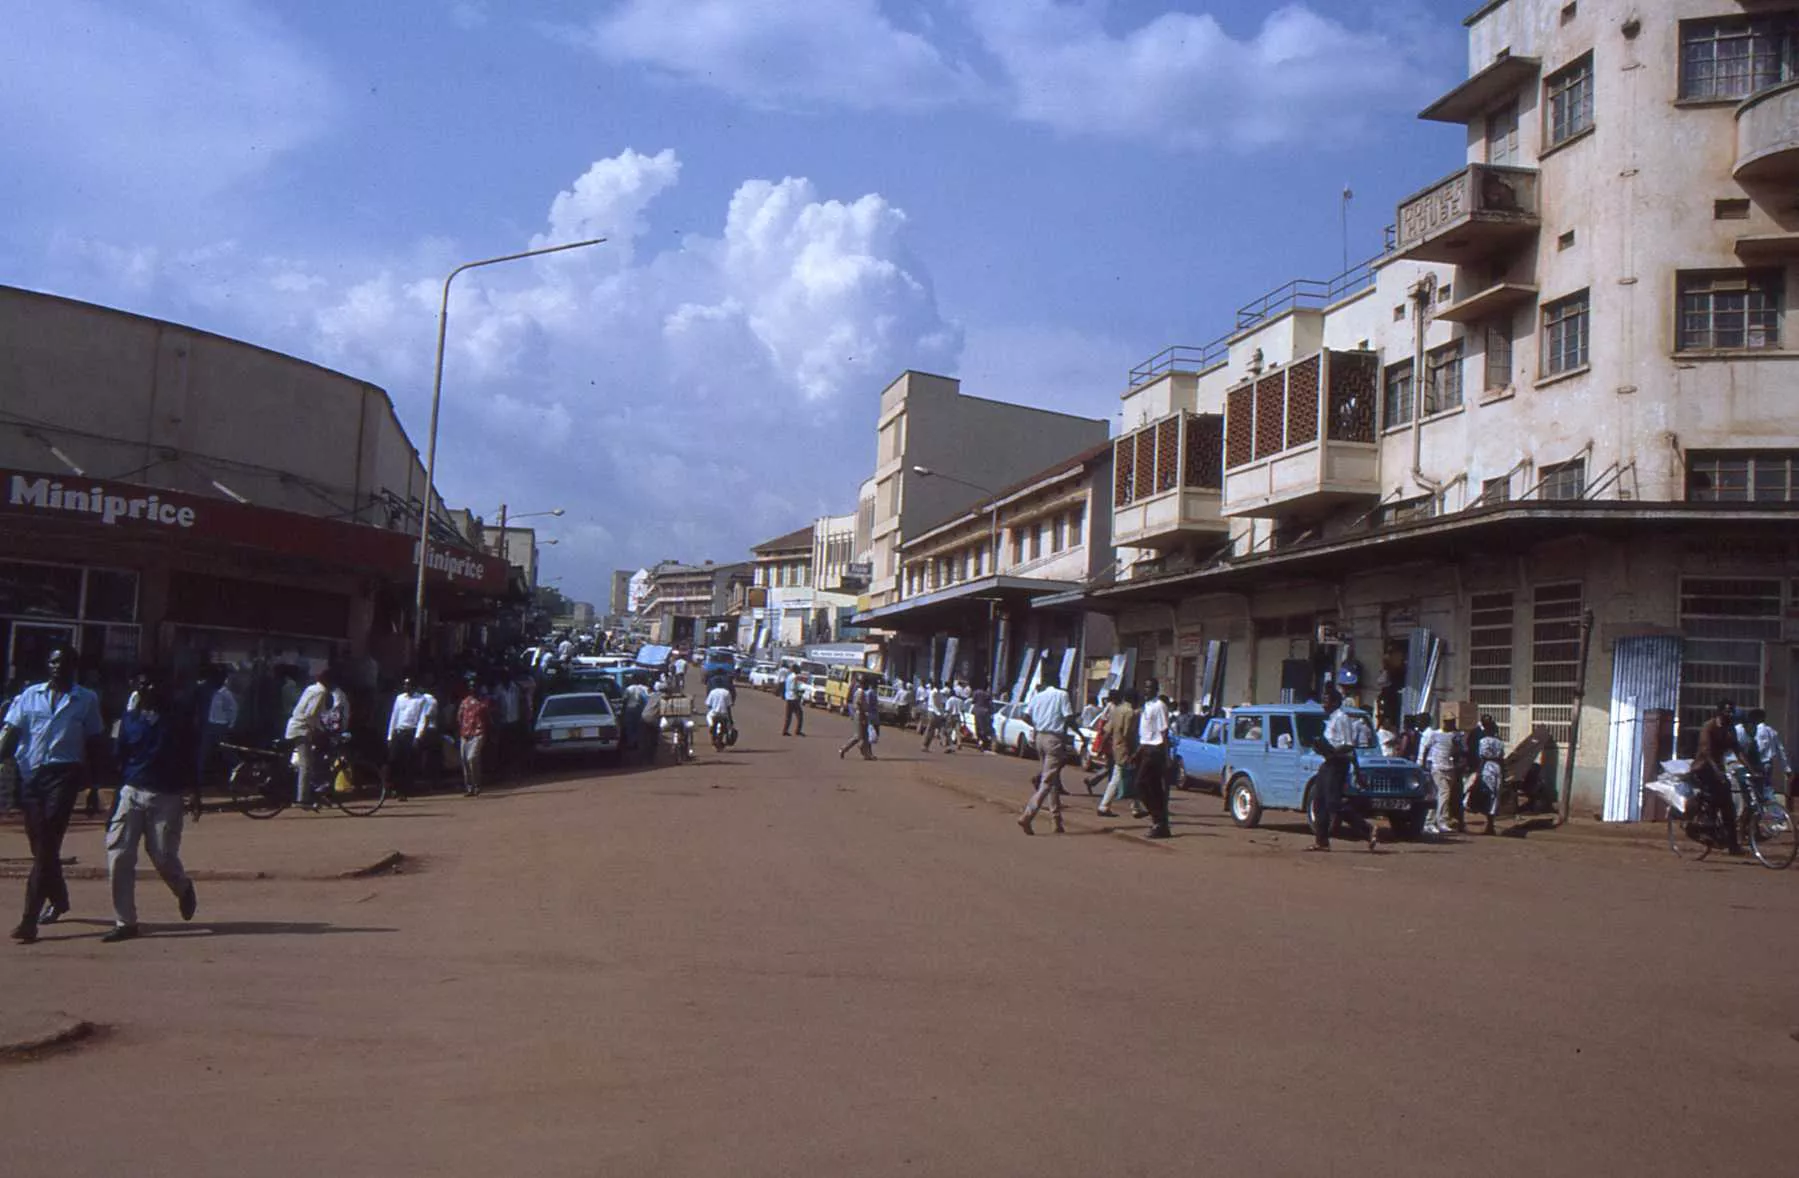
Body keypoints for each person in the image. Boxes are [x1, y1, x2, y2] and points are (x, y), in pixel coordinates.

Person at [2, 648, 107, 944]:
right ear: (47, 665)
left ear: (75, 667)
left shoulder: (85, 699)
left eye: (65, 662)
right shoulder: (29, 695)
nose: (58, 666)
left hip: (64, 775)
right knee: (39, 845)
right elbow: (11, 732)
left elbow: (96, 743)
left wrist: (95, 787)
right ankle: (59, 898)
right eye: (54, 661)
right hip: (30, 775)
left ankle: (29, 920)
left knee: (48, 842)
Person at [103, 676, 198, 942]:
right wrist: (112, 796)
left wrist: (194, 792)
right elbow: (118, 758)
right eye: (144, 685)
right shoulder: (128, 720)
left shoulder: (178, 721)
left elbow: (190, 757)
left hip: (167, 795)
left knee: (163, 854)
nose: (149, 689)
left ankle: (183, 887)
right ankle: (125, 922)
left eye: (155, 684)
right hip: (131, 791)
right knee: (119, 854)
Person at [1308, 687, 1378, 853]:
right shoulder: (1331, 719)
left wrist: (1333, 752)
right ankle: (1321, 841)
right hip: (1328, 762)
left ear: (1335, 702)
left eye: (1326, 701)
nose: (1323, 705)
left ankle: (1367, 829)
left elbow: (1348, 744)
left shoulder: (1342, 718)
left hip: (1338, 763)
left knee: (1333, 802)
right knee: (1319, 801)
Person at [1018, 678, 1076, 835]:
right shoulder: (1062, 695)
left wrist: (1037, 724)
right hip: (1054, 738)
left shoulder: (1038, 696)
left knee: (1052, 780)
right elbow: (1069, 717)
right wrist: (1076, 731)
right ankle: (1028, 815)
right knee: (1047, 782)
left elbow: (1025, 716)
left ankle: (1056, 821)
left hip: (1040, 737)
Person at [284, 667, 348, 807]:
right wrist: (319, 730)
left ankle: (312, 791)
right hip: (302, 729)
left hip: (295, 726)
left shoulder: (311, 688)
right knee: (306, 764)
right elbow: (311, 715)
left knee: (310, 759)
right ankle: (302, 799)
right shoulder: (321, 692)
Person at [1694, 699, 1743, 855]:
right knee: (1714, 798)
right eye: (1727, 711)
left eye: (1732, 711)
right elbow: (1706, 753)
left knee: (1729, 807)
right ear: (1720, 712)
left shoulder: (1730, 728)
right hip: (1703, 768)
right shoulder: (1708, 726)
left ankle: (1733, 845)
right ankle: (1706, 831)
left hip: (1718, 768)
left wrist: (1752, 770)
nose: (1730, 714)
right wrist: (1718, 772)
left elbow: (1738, 750)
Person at [1131, 681, 1174, 838]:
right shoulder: (1146, 706)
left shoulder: (1159, 706)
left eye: (1149, 688)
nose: (1146, 691)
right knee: (1154, 788)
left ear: (1156, 690)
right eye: (1145, 687)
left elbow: (1164, 732)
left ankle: (1157, 817)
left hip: (1155, 750)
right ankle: (1161, 824)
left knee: (1140, 784)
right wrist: (1137, 753)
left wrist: (1167, 756)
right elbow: (1146, 734)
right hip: (1145, 748)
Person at [1097, 689, 1145, 820]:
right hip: (1126, 748)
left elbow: (1108, 730)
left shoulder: (1117, 710)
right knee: (1118, 776)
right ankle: (1104, 806)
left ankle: (1136, 807)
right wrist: (1133, 752)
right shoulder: (1130, 713)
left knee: (1131, 776)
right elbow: (1128, 734)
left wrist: (1101, 746)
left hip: (1116, 746)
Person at [386, 677, 432, 800]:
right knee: (393, 760)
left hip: (410, 732)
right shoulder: (399, 698)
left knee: (406, 763)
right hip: (398, 732)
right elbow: (394, 716)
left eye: (409, 685)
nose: (407, 687)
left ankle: (404, 791)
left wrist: (418, 736)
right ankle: (393, 787)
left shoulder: (421, 700)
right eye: (405, 685)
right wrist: (390, 736)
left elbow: (422, 719)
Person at [194, 667, 238, 789]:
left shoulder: (226, 694)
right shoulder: (207, 691)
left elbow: (233, 710)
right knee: (203, 752)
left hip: (221, 726)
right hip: (208, 725)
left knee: (226, 751)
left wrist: (231, 725)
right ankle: (199, 779)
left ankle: (236, 773)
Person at [1467, 715, 1505, 835]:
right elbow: (1501, 758)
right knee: (1495, 795)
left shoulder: (1483, 741)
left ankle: (1488, 823)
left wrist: (1478, 772)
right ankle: (1490, 824)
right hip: (1497, 768)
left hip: (1487, 768)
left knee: (1485, 792)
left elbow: (1482, 756)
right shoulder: (1499, 742)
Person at [457, 679, 494, 798]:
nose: (473, 689)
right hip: (465, 734)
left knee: (472, 758)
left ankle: (477, 785)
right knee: (465, 761)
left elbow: (489, 718)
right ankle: (469, 788)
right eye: (471, 687)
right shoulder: (464, 702)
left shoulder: (484, 702)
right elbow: (459, 717)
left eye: (475, 686)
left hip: (478, 733)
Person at [705, 681, 734, 748]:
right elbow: (728, 706)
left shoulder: (712, 692)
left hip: (714, 714)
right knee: (727, 727)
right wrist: (730, 718)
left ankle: (711, 727)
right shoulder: (727, 692)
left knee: (708, 716)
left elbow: (708, 704)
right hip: (724, 714)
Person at [921, 681, 949, 750]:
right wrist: (939, 713)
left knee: (941, 729)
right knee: (931, 729)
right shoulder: (934, 692)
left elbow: (940, 704)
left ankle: (945, 745)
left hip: (937, 712)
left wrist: (941, 713)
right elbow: (934, 704)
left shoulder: (939, 693)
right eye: (940, 684)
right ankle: (925, 745)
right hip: (933, 712)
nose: (941, 685)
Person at [781, 665, 806, 737]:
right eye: (799, 669)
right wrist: (799, 692)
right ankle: (797, 731)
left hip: (788, 697)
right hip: (794, 698)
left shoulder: (789, 676)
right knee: (799, 715)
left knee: (788, 716)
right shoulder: (795, 677)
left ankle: (785, 730)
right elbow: (793, 688)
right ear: (796, 670)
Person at [971, 680, 996, 753]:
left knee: (978, 728)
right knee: (984, 728)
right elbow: (990, 704)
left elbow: (973, 701)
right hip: (985, 712)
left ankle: (980, 742)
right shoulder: (988, 695)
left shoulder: (976, 692)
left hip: (977, 711)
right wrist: (991, 712)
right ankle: (983, 743)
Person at [943, 688, 968, 753]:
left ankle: (948, 743)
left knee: (949, 730)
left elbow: (947, 710)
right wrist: (964, 719)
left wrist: (944, 717)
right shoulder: (960, 701)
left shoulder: (949, 700)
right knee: (958, 731)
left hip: (951, 716)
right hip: (958, 716)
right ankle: (959, 743)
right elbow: (963, 711)